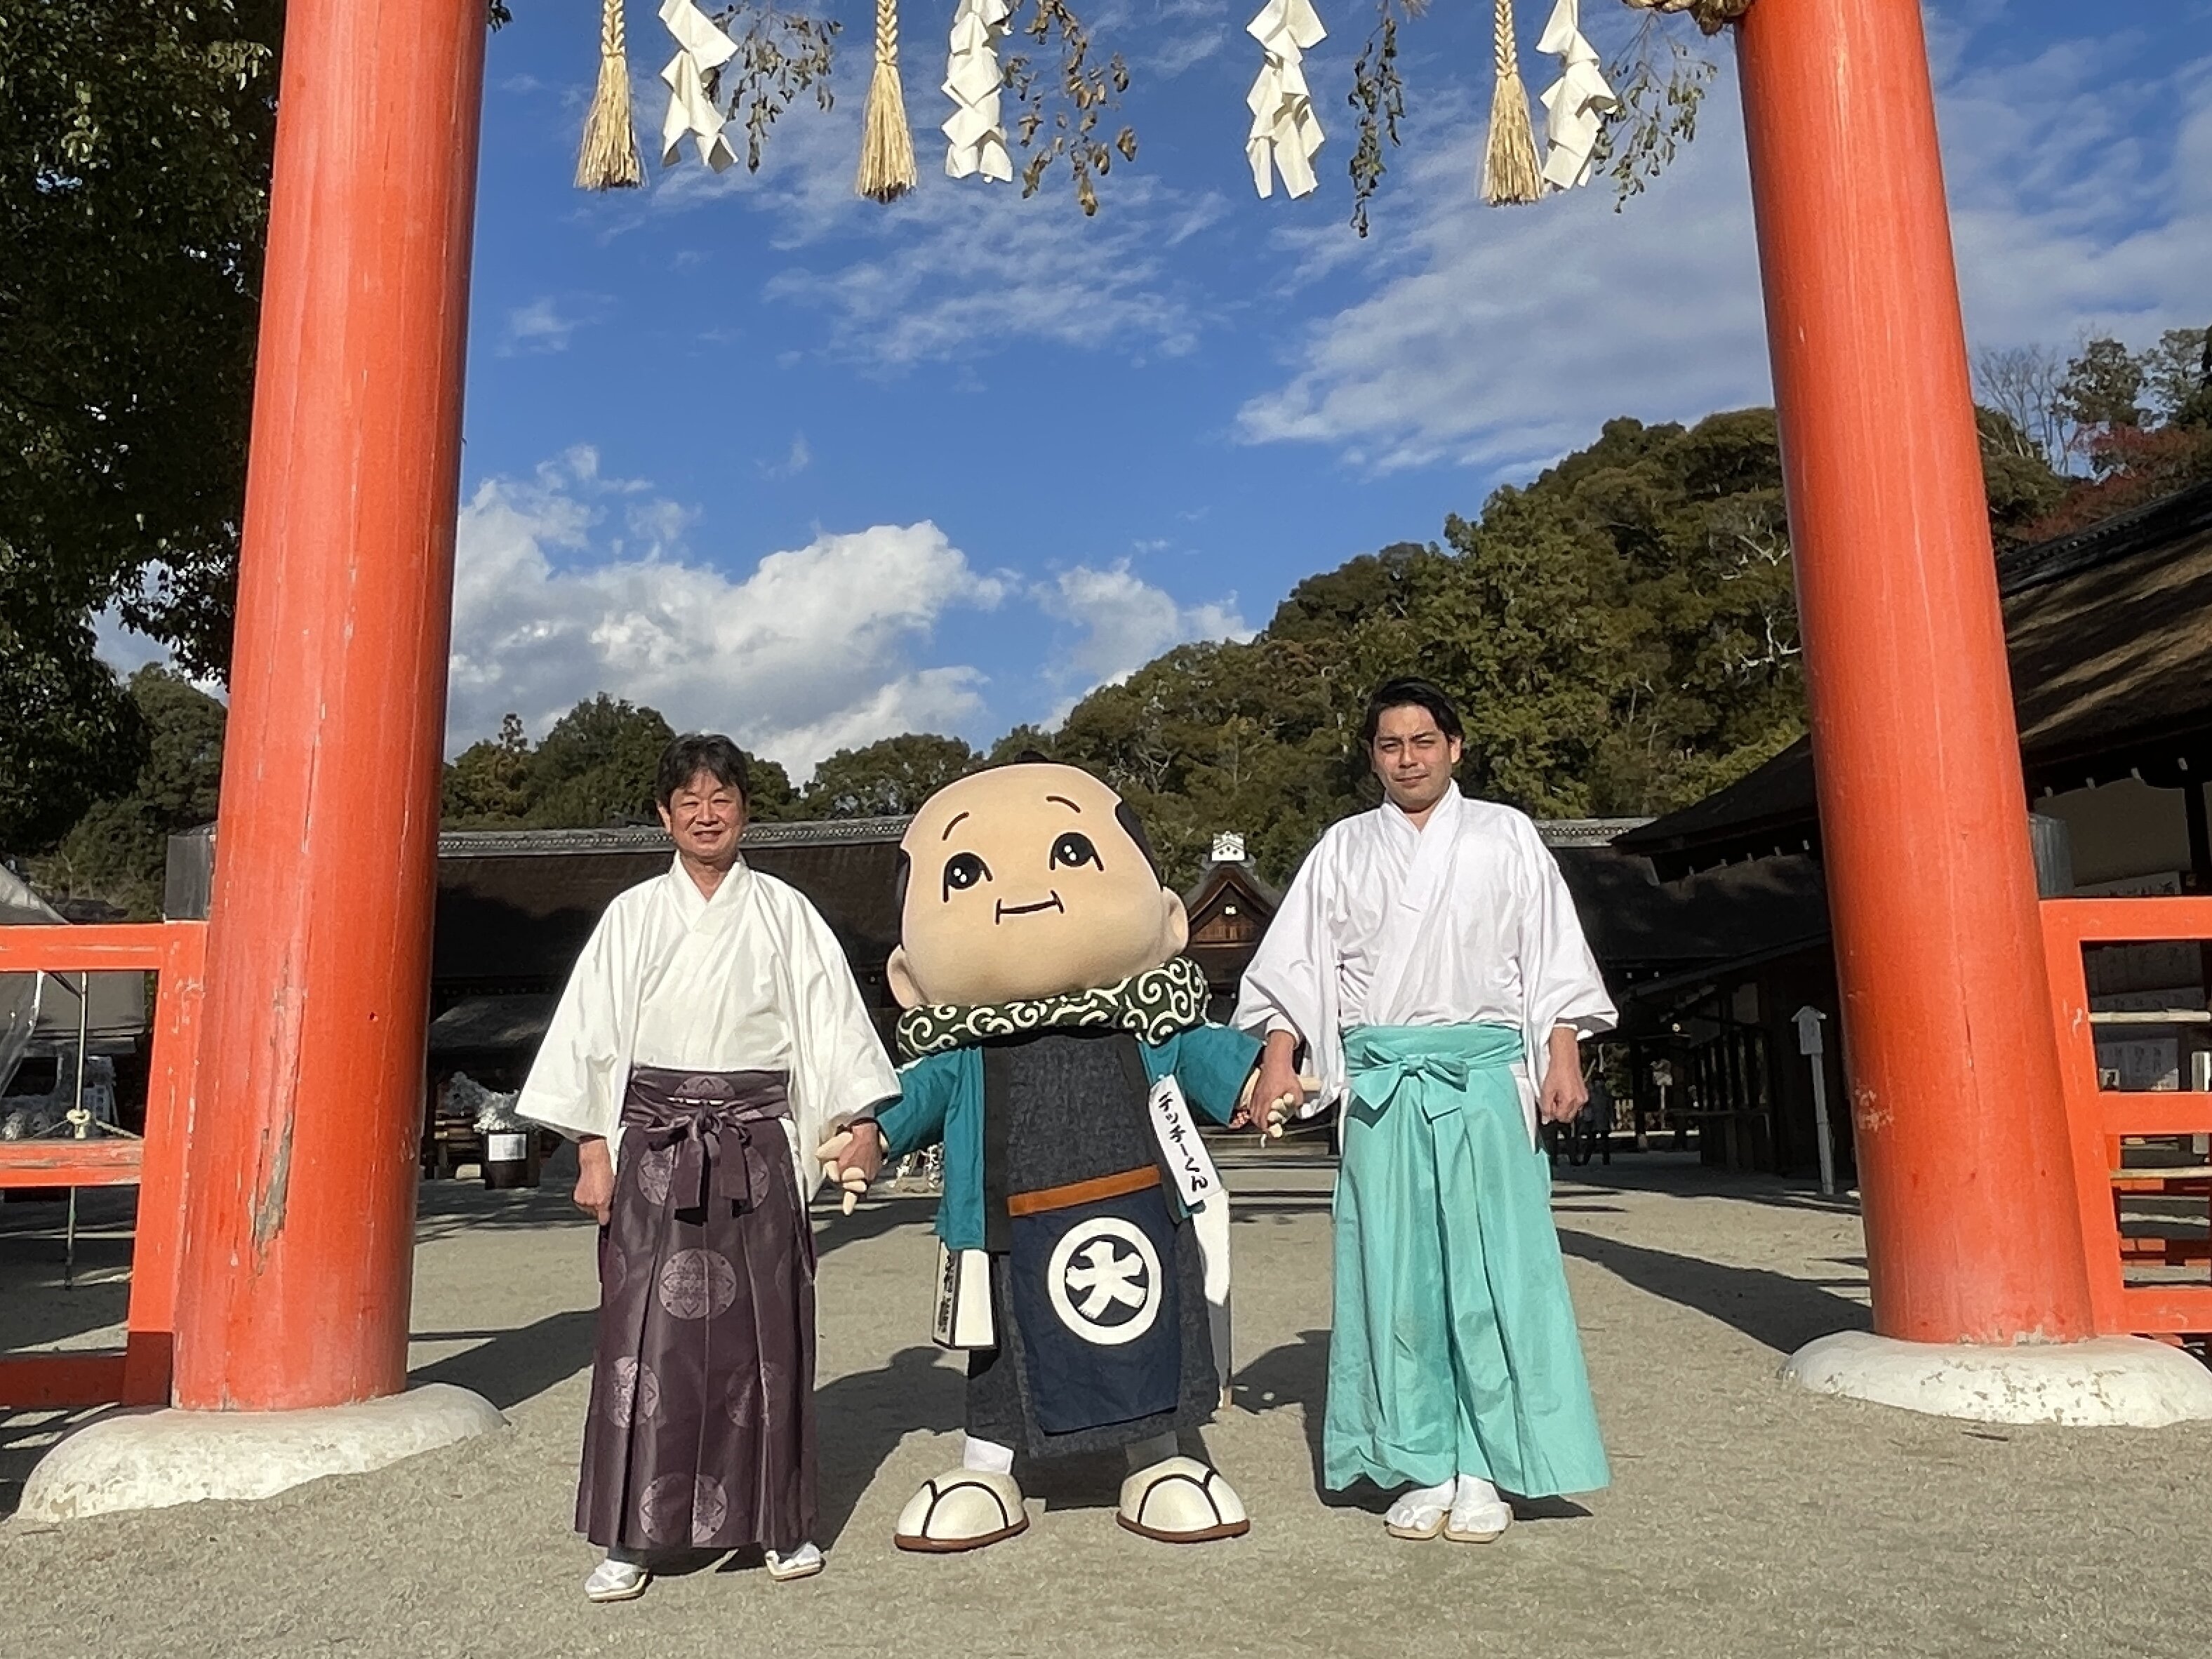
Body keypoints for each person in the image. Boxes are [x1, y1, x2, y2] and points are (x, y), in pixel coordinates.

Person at [818, 759, 1260, 1552]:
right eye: (965, 873)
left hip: (1138, 1208)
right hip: (1005, 1224)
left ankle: (1155, 1453)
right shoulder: (964, 1051)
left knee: (1149, 1330)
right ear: (908, 977)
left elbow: (1203, 1055)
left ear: (1167, 922)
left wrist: (1262, 1076)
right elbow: (911, 1097)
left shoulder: (1145, 1017)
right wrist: (870, 1132)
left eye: (1069, 852)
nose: (1020, 891)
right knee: (1002, 1346)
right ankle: (988, 1465)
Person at [518, 733, 898, 1602]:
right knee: (639, 1344)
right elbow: (591, 1034)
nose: (704, 812)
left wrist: (859, 1119)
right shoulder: (632, 916)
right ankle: (632, 1536)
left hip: (757, 1144)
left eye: (719, 796)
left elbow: (833, 1023)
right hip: (650, 1145)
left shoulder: (785, 912)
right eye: (686, 800)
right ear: (663, 816)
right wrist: (589, 1147)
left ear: (745, 809)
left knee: (767, 1338)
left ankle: (777, 1522)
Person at [1234, 677, 1615, 1545]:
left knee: (1490, 1273)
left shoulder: (1505, 836)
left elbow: (1549, 953)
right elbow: (1298, 965)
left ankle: (1487, 1463)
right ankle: (1417, 1458)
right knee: (1393, 1274)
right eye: (1388, 745)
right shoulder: (1342, 847)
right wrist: (1280, 1059)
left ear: (1454, 746)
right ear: (1371, 756)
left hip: (1483, 1079)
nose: (1406, 759)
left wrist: (1562, 1054)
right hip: (1382, 1088)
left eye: (1421, 742)